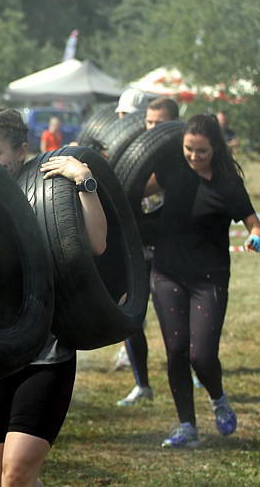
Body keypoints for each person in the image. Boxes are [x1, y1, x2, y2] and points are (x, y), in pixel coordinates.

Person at [0, 108, 107, 486]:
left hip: (47, 351)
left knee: (16, 474)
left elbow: (96, 243)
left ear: (21, 151)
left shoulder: (50, 189)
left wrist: (85, 182)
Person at [144, 114, 260, 448]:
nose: (194, 157)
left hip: (208, 278)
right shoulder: (172, 169)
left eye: (202, 151)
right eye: (189, 149)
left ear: (216, 149)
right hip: (166, 273)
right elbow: (133, 184)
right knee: (177, 350)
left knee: (202, 356)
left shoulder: (228, 184)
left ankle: (218, 397)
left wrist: (255, 236)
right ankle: (186, 426)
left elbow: (253, 222)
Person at [115, 96, 180, 406]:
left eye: (160, 124)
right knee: (132, 316)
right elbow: (127, 188)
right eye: (149, 124)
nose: (153, 130)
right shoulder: (136, 155)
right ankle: (142, 385)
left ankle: (190, 371)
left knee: (175, 319)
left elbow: (141, 188)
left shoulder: (184, 158)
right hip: (139, 247)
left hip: (171, 249)